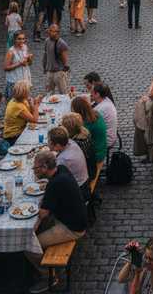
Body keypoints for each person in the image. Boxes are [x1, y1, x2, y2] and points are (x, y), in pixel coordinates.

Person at [26, 150, 88, 293]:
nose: (34, 171)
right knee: (37, 231)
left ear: (45, 168)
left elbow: (43, 214)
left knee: (30, 244)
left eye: (35, 168)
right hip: (73, 217)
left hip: (72, 228)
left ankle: (49, 276)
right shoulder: (61, 169)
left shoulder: (54, 184)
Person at [48, 126, 90, 200]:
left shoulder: (63, 160)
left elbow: (53, 177)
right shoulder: (71, 142)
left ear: (57, 145)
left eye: (49, 142)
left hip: (79, 191)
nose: (48, 143)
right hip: (84, 182)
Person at [71, 96, 108, 167]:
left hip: (96, 154)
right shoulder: (94, 113)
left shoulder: (87, 124)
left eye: (73, 110)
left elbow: (77, 138)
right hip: (101, 148)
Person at [61, 112, 97, 183]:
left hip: (86, 175)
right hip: (91, 168)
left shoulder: (76, 143)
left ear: (68, 129)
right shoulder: (83, 131)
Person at [3, 80, 41, 144]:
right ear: (24, 93)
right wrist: (36, 105)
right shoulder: (17, 106)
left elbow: (31, 113)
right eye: (28, 91)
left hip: (20, 130)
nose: (30, 92)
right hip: (13, 136)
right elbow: (34, 120)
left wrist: (32, 104)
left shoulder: (20, 100)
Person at [4, 30, 33, 100]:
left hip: (24, 79)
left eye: (23, 39)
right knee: (15, 102)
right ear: (14, 40)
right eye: (19, 39)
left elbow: (29, 64)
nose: (21, 41)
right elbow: (5, 67)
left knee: (25, 101)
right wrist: (20, 63)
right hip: (15, 81)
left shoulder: (25, 47)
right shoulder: (11, 52)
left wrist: (30, 58)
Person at [42, 23, 69, 94]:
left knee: (64, 93)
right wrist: (44, 67)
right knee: (49, 94)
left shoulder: (62, 43)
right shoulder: (47, 41)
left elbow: (65, 60)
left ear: (57, 32)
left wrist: (63, 72)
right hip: (49, 71)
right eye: (50, 30)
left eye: (53, 31)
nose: (50, 32)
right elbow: (45, 54)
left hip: (59, 72)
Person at [91, 82, 119, 151]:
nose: (90, 94)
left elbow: (90, 126)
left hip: (106, 140)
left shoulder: (99, 109)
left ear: (97, 94)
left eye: (92, 92)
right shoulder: (107, 100)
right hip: (111, 135)